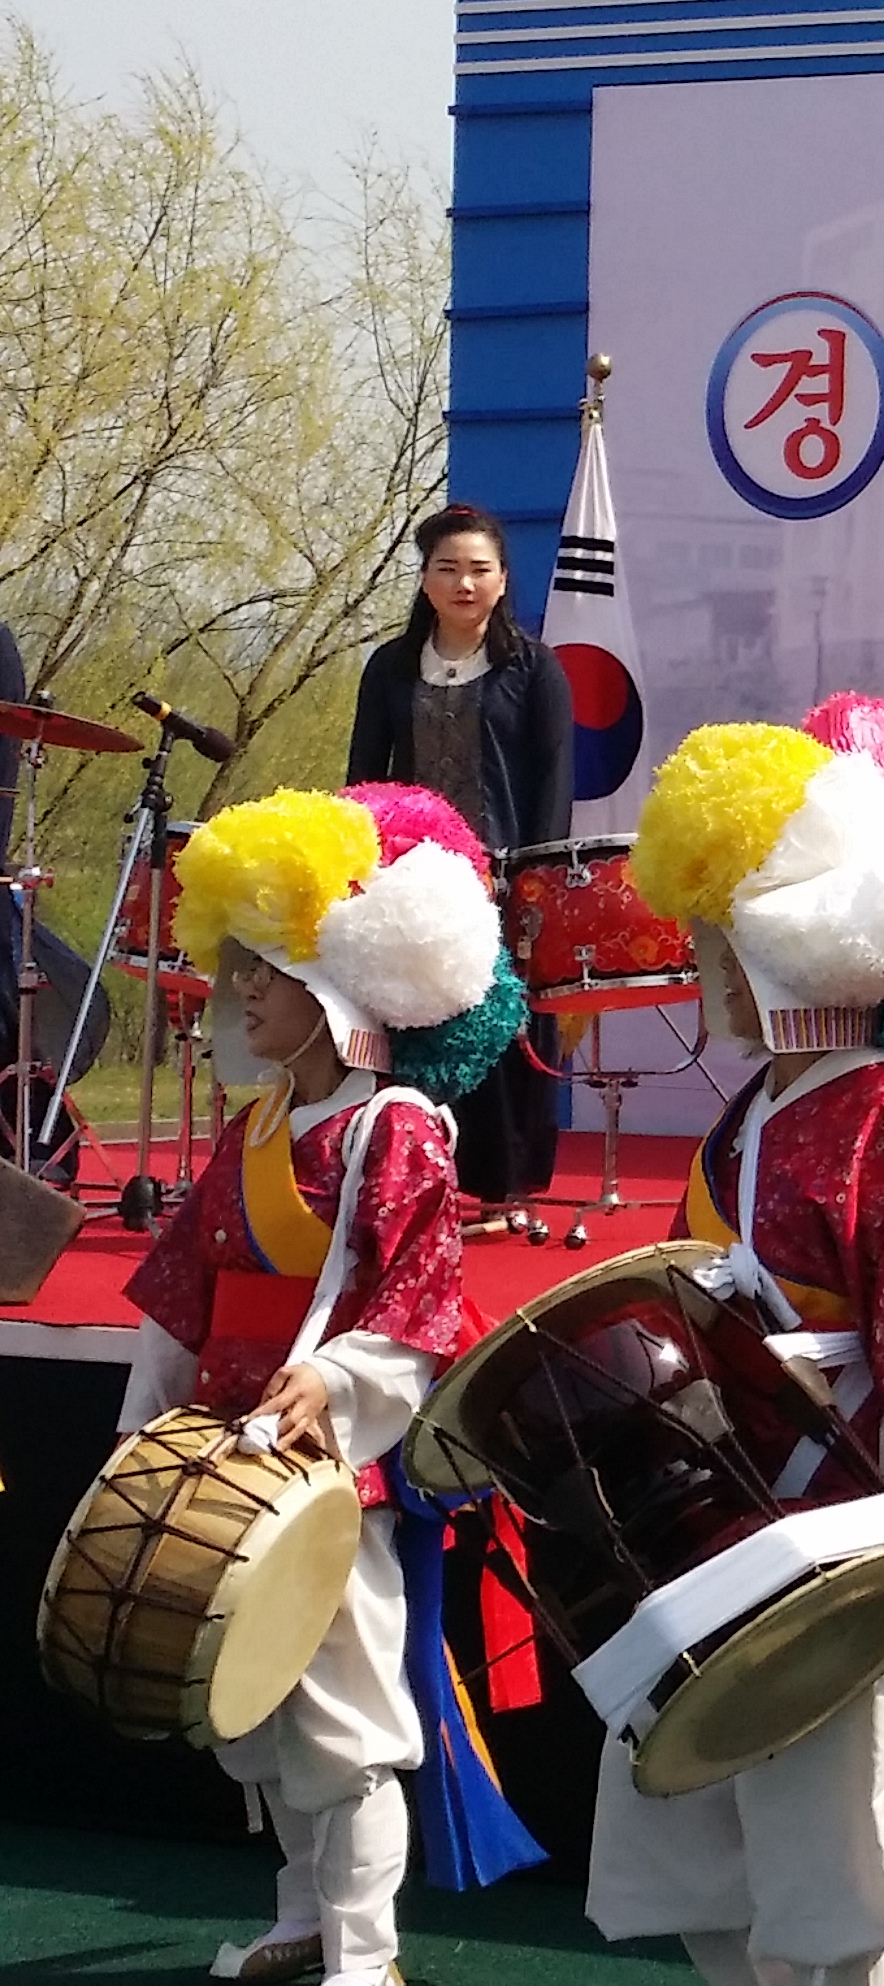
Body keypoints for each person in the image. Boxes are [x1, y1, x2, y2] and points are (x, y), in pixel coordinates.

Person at [598, 694, 884, 1986]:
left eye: (718, 933)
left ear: (783, 942)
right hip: (720, 1510)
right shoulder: (748, 1111)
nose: (701, 959)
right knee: (699, 1834)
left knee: (839, 1853)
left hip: (846, 1511)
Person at [118, 783, 532, 1986]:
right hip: (225, 1455)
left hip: (329, 1468)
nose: (243, 987)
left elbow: (417, 1306)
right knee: (254, 1703)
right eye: (243, 962)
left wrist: (335, 1384)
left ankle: (365, 1950)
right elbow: (182, 1296)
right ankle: (302, 1918)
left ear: (342, 984)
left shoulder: (399, 1129)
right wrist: (142, 1434)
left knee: (345, 1720)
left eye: (272, 965)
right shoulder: (254, 1128)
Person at [346, 503, 575, 1214]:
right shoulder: (390, 667)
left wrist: (534, 877)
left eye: (479, 570)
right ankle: (408, 1173)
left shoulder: (533, 669)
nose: (464, 584)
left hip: (505, 877)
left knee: (498, 1025)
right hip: (410, 881)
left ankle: (504, 1185)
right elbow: (364, 776)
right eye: (448, 569)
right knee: (409, 1020)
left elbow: (554, 778)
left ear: (503, 580)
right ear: (425, 581)